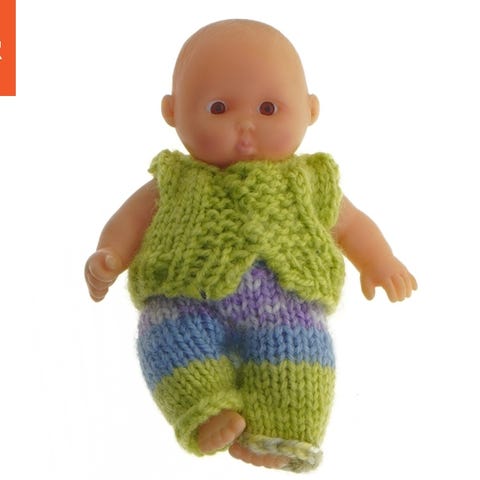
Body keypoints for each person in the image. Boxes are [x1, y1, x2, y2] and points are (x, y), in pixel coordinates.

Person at [85, 19, 417, 472]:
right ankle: (204, 410)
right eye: (218, 107)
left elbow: (352, 223)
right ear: (172, 111)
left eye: (268, 108)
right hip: (183, 299)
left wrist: (379, 260)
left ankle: (282, 435)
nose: (245, 126)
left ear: (311, 110)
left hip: (287, 306)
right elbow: (129, 220)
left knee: (301, 361)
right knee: (167, 342)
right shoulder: (175, 180)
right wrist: (110, 256)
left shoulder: (310, 183)